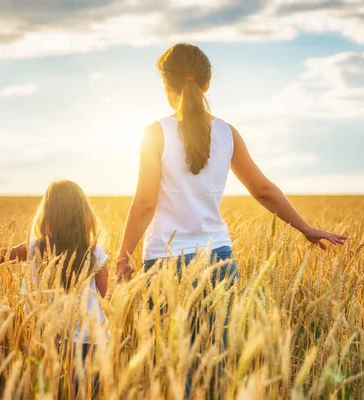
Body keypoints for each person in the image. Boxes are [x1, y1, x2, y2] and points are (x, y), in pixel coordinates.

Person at [115, 42, 348, 395]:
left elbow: (145, 202)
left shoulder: (155, 132)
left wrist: (122, 255)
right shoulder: (226, 132)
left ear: (166, 86)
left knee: (173, 368)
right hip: (220, 261)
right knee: (214, 366)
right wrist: (306, 228)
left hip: (165, 264)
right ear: (207, 84)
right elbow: (263, 190)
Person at [0, 180, 108, 396]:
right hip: (93, 338)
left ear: (48, 213)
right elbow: (103, 294)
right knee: (88, 393)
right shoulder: (96, 253)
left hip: (51, 335)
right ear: (84, 214)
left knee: (55, 390)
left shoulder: (34, 248)